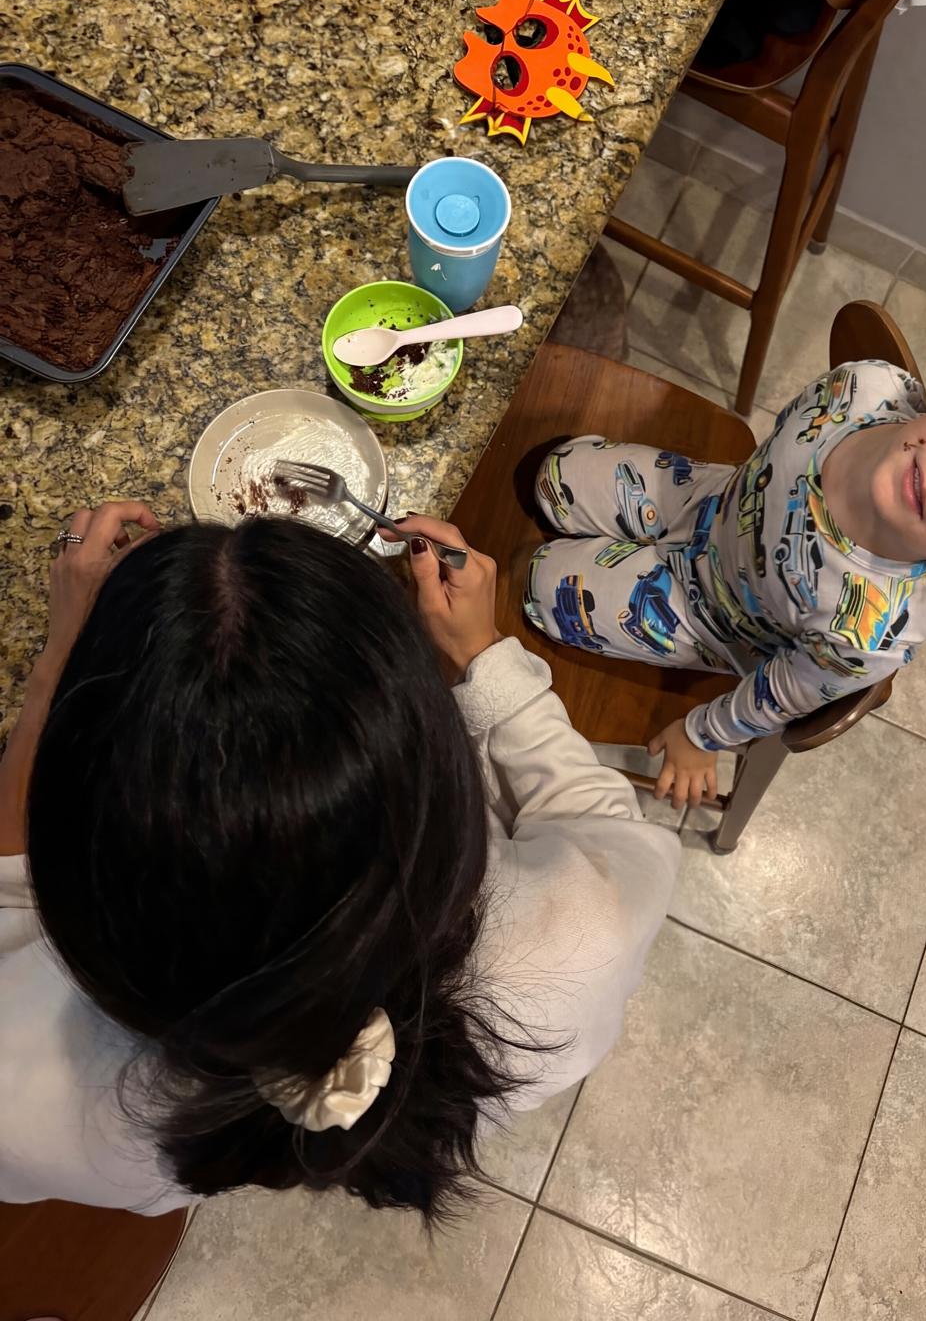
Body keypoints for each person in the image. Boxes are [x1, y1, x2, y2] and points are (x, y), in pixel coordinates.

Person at [0, 503, 680, 1215]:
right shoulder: (583, 937)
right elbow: (593, 817)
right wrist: (485, 658)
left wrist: (61, 660)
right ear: (441, 785)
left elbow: (13, 888)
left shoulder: (31, 1096)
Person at [525, 360, 926, 808]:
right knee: (551, 475)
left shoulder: (873, 632)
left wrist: (702, 738)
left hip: (703, 617)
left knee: (540, 585)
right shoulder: (865, 388)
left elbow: (780, 694)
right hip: (702, 496)